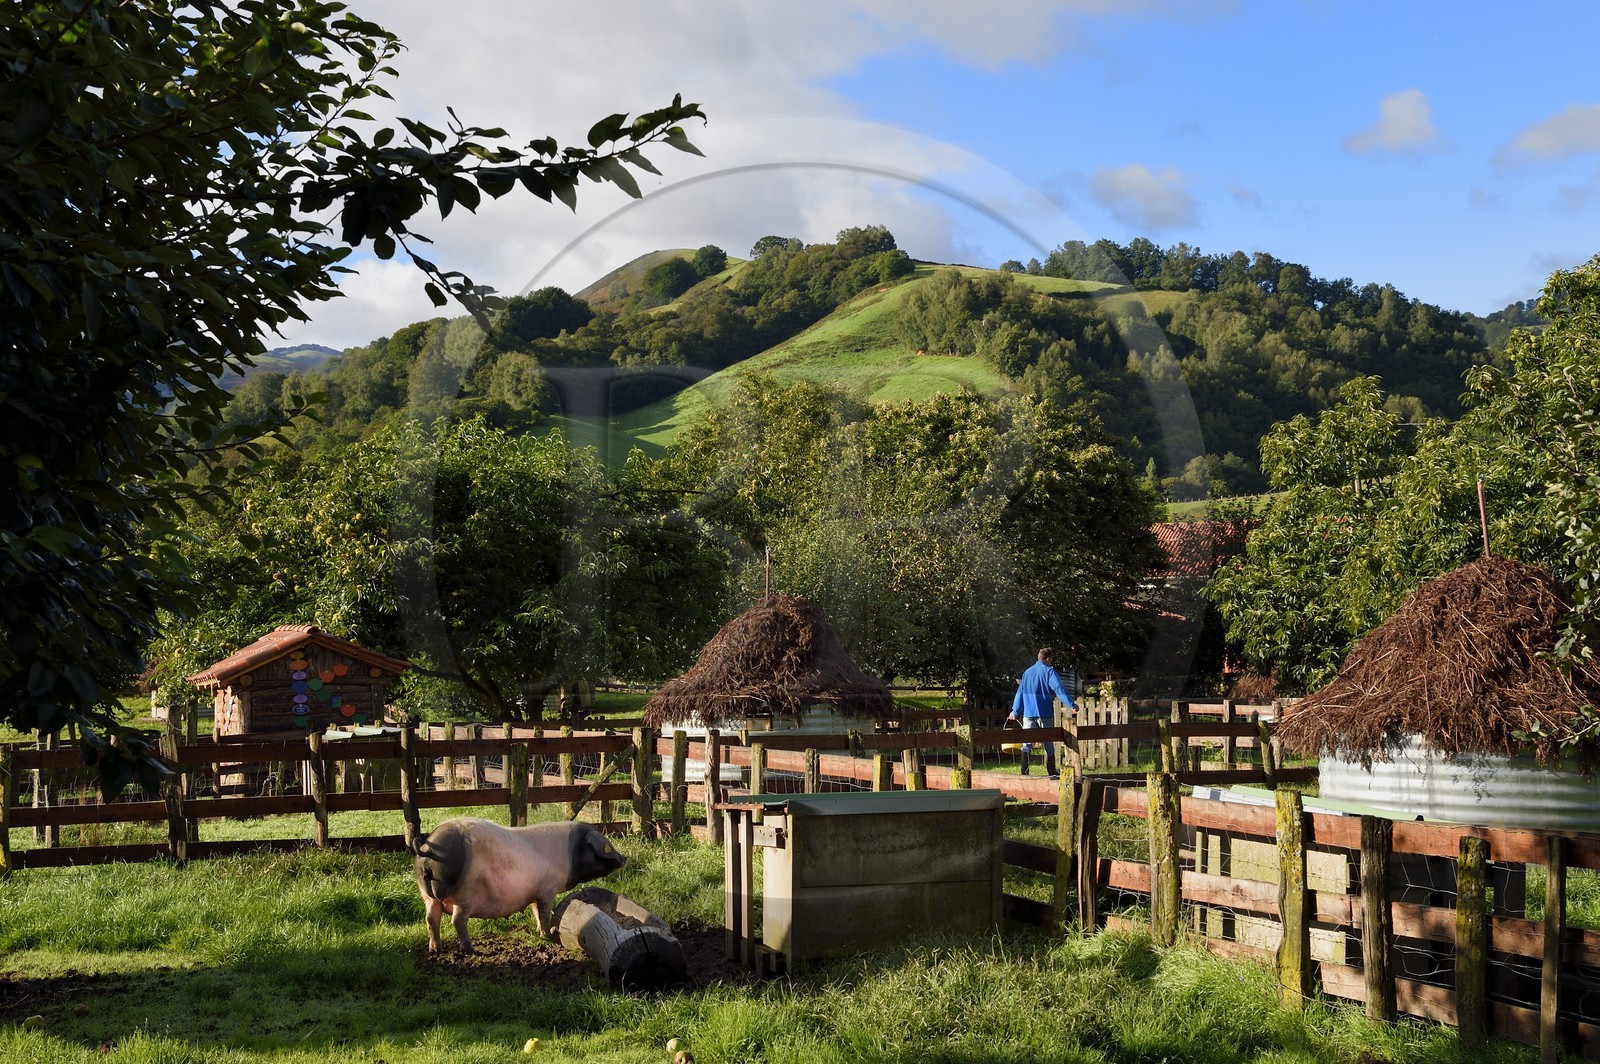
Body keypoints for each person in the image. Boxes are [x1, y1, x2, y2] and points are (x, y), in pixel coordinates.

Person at [1008, 647, 1078, 777]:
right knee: (1048, 742)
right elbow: (1059, 689)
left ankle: (1024, 772)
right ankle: (1051, 771)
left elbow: (1020, 693)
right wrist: (1071, 704)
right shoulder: (1048, 672)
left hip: (1028, 714)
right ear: (1048, 659)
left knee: (1026, 743)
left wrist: (1015, 711)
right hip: (1045, 713)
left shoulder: (1027, 673)